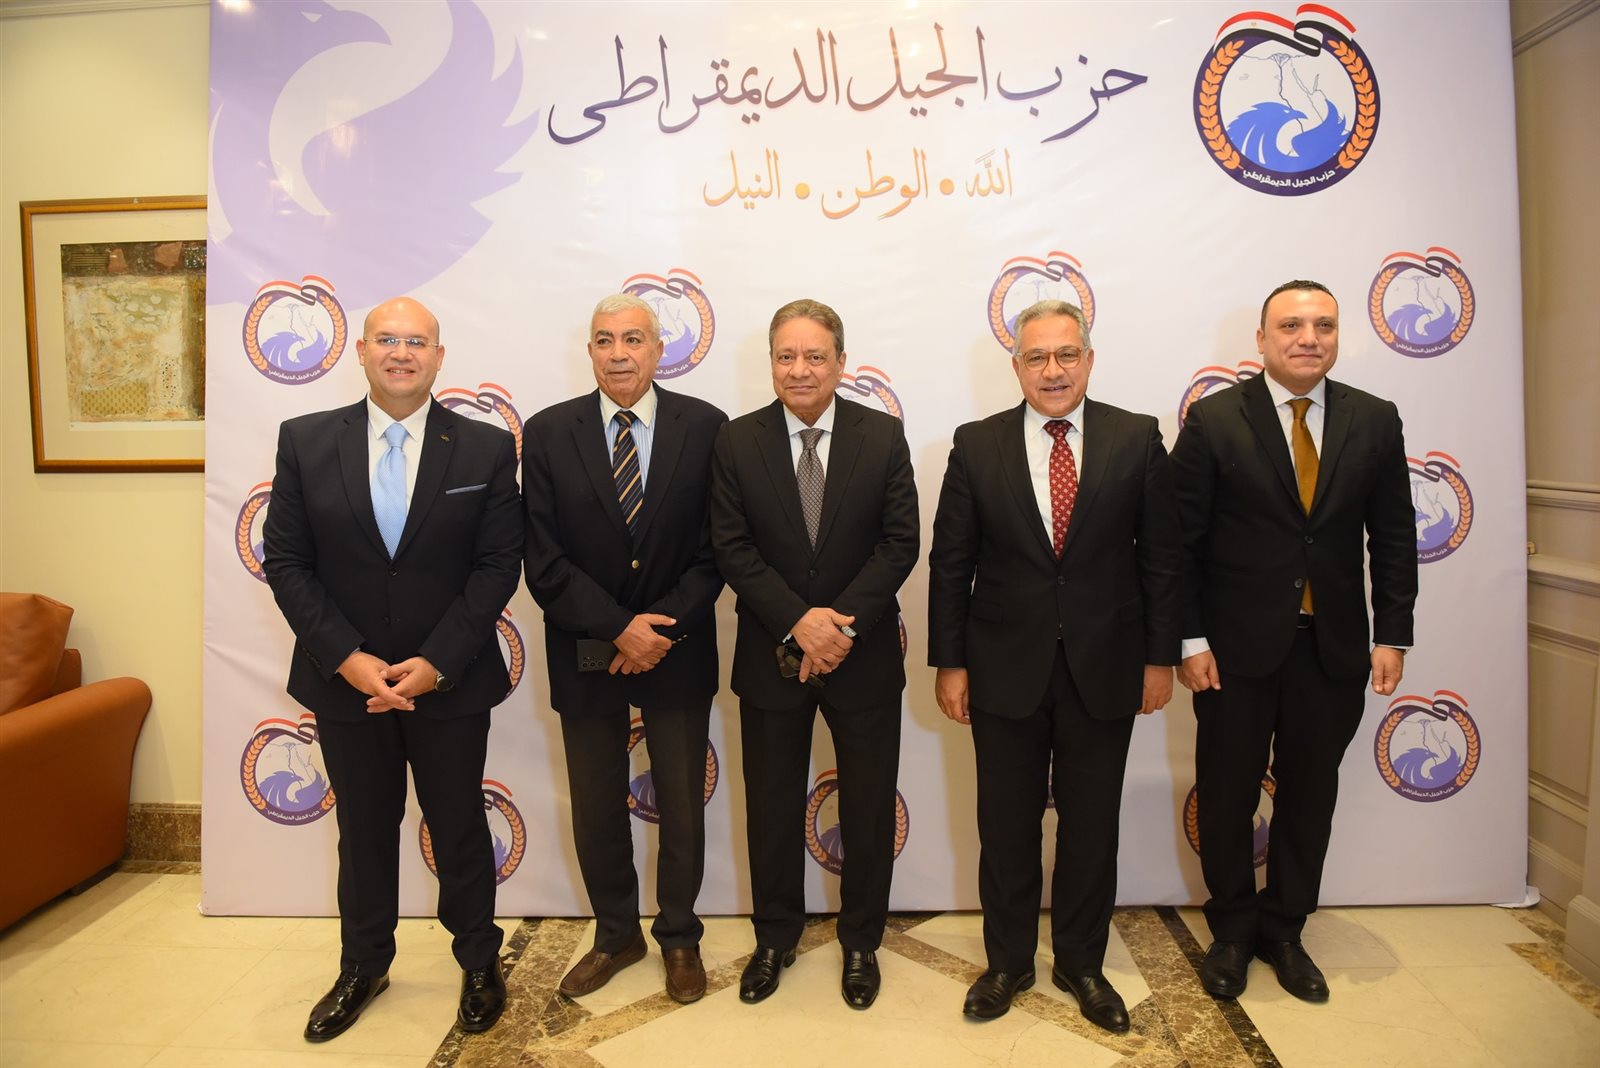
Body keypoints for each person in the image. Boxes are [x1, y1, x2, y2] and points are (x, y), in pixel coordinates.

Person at [263, 296, 520, 1041]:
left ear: (439, 356)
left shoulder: (485, 447)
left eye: (416, 341)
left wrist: (438, 661)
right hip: (347, 684)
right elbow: (287, 561)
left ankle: (479, 961)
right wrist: (347, 658)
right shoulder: (306, 440)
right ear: (361, 351)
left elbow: (498, 564)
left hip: (451, 679)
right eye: (386, 339)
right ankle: (363, 965)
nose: (401, 353)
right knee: (364, 832)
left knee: (460, 826)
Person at [927, 300, 1180, 1033]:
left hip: (1107, 667)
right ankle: (1007, 963)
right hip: (1003, 667)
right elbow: (952, 564)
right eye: (1036, 357)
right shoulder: (977, 444)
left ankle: (1081, 962)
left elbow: (1163, 559)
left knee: (1091, 827)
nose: (1053, 370)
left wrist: (1159, 657)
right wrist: (950, 663)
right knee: (1006, 828)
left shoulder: (1136, 437)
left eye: (1067, 354)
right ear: (1016, 367)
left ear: (1089, 360)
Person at [1171, 279, 1417, 1003]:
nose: (1309, 338)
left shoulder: (1375, 419)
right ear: (1261, 339)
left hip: (1332, 649)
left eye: (1324, 325)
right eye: (1291, 325)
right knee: (1227, 794)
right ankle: (1232, 931)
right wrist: (1190, 639)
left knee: (1310, 796)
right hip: (1233, 651)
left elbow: (1394, 537)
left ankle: (1284, 929)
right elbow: (1180, 543)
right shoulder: (1215, 419)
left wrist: (1393, 633)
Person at [709, 298, 919, 1009]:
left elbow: (900, 542)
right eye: (786, 356)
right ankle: (775, 939)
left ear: (840, 362)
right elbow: (731, 547)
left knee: (867, 806)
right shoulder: (736, 440)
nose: (799, 370)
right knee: (770, 806)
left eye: (815, 356)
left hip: (864, 657)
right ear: (771, 362)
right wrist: (799, 621)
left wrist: (838, 628)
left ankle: (862, 942)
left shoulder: (881, 435)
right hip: (771, 655)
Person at [523, 294, 727, 1004]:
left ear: (659, 349)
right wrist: (618, 628)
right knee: (596, 803)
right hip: (586, 648)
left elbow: (718, 550)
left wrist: (655, 630)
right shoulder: (548, 432)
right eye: (605, 340)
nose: (619, 353)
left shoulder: (708, 427)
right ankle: (616, 934)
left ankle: (679, 936)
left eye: (633, 339)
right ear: (589, 351)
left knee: (683, 803)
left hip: (678, 647)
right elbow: (543, 558)